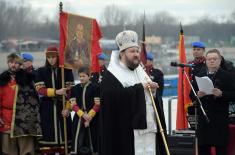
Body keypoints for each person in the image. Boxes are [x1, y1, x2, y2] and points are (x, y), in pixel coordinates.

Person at [99, 30, 160, 155]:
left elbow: (150, 101)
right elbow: (111, 100)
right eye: (132, 51)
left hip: (148, 130)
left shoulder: (140, 71)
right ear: (122, 53)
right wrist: (139, 88)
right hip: (125, 133)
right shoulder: (111, 75)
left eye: (137, 51)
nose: (136, 54)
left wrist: (152, 92)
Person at [190, 49, 235, 155]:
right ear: (206, 61)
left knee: (221, 150)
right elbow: (191, 94)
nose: (212, 61)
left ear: (219, 60)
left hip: (219, 120)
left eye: (214, 59)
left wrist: (222, 94)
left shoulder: (228, 76)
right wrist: (197, 95)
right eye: (209, 59)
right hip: (204, 121)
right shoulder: (199, 75)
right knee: (203, 150)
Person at [35, 46, 74, 154]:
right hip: (47, 108)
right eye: (49, 57)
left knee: (65, 139)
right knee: (48, 135)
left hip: (63, 108)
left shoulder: (66, 71)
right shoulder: (40, 71)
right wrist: (56, 92)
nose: (51, 59)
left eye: (53, 57)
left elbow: (71, 92)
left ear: (58, 57)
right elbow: (40, 90)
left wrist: (68, 109)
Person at [0, 53, 41, 155]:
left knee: (26, 151)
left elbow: (34, 100)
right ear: (8, 63)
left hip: (25, 121)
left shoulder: (28, 79)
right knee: (8, 151)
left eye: (16, 63)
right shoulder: (2, 79)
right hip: (6, 118)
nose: (13, 65)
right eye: (11, 62)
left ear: (20, 64)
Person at [66, 67, 100, 155]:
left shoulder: (95, 87)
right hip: (79, 117)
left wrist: (89, 117)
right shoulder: (75, 88)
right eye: (80, 76)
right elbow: (73, 105)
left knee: (92, 139)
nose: (81, 78)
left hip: (93, 117)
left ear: (89, 76)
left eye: (83, 76)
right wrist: (82, 115)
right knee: (78, 138)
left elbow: (97, 104)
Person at [145, 52, 167, 155]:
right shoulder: (139, 73)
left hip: (155, 105)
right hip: (143, 106)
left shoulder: (157, 73)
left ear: (151, 61)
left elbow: (160, 92)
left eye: (147, 60)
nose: (145, 62)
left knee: (158, 129)